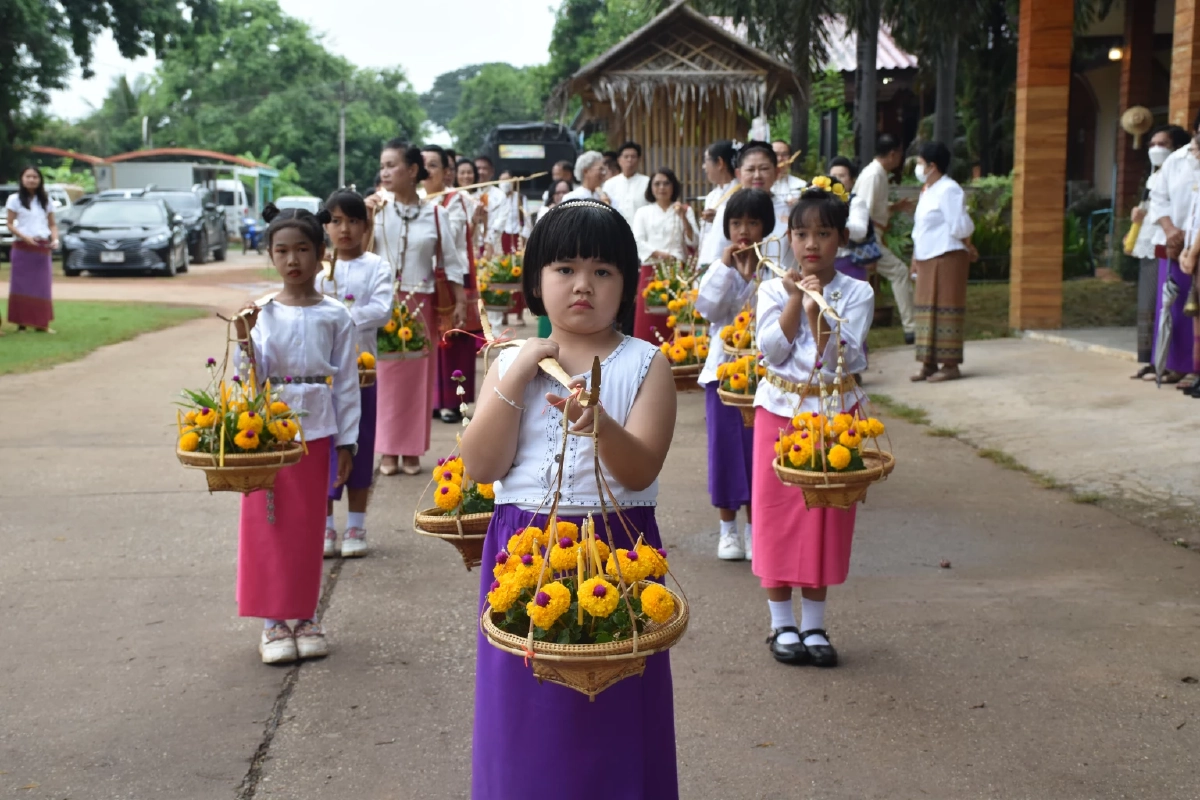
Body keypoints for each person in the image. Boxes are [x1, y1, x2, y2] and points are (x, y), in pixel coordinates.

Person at [462, 199, 678, 799]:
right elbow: (482, 467)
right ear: (536, 280)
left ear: (627, 284)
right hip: (524, 550)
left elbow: (639, 471)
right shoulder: (509, 361)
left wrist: (599, 424)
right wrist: (519, 368)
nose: (583, 284)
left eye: (603, 271)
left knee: (613, 708)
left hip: (618, 550)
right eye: (564, 268)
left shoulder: (645, 363)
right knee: (526, 713)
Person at [753, 179, 874, 668]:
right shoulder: (769, 287)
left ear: (839, 240)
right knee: (777, 514)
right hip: (778, 412)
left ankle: (815, 624)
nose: (810, 245)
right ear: (789, 237)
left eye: (822, 234)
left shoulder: (857, 292)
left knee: (825, 517)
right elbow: (772, 351)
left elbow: (841, 358)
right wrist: (792, 302)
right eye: (801, 234)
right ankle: (781, 622)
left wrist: (817, 310)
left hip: (833, 416)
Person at [235, 205, 362, 664]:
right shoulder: (262, 314)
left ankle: (306, 616)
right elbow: (248, 380)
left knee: (308, 526)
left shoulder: (336, 316)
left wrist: (348, 441)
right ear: (270, 255)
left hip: (319, 431)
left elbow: (347, 383)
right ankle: (272, 622)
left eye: (303, 249)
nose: (293, 260)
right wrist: (245, 341)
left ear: (321, 254)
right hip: (268, 436)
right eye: (282, 251)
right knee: (266, 522)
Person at [367, 139, 468, 475]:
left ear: (412, 170)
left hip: (420, 303)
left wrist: (460, 301)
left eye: (391, 165)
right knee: (384, 376)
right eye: (382, 166)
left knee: (417, 379)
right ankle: (386, 450)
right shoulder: (376, 210)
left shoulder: (436, 213)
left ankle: (410, 451)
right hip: (383, 303)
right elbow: (362, 254)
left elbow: (452, 262)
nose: (384, 172)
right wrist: (365, 218)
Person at [695, 188, 775, 562]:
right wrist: (728, 269)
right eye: (737, 223)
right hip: (724, 373)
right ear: (727, 228)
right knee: (725, 451)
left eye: (753, 223)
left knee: (759, 451)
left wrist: (754, 277)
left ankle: (755, 528)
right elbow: (709, 310)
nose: (744, 230)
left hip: (765, 375)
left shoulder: (773, 269)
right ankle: (727, 530)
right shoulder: (718, 266)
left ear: (766, 227)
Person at [318, 189, 393, 558]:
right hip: (323, 374)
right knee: (323, 446)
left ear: (365, 226)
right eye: (335, 221)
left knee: (359, 446)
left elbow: (381, 310)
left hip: (362, 371)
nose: (344, 228)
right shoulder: (320, 270)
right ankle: (326, 526)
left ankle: (357, 524)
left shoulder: (377, 266)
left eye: (352, 220)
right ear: (326, 227)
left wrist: (339, 317)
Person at [423, 145, 482, 424]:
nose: (426, 171)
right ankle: (431, 401)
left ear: (447, 173)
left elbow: (452, 237)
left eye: (433, 165)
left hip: (451, 278)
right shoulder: (415, 200)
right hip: (423, 279)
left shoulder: (455, 201)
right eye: (421, 165)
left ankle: (451, 402)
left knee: (453, 340)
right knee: (425, 339)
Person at [910, 141, 975, 383]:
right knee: (926, 309)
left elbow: (960, 224)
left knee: (946, 306)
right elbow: (920, 227)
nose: (917, 167)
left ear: (932, 165)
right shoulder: (927, 190)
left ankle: (950, 364)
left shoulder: (949, 190)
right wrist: (915, 256)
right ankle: (928, 362)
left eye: (919, 163)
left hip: (947, 255)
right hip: (927, 256)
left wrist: (968, 240)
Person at [1131, 125, 1190, 380]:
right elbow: (1154, 204)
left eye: (1163, 144)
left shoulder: (1183, 170)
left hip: (1176, 241)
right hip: (1153, 241)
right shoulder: (1154, 175)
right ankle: (1153, 359)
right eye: (1152, 144)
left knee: (1172, 306)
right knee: (1150, 305)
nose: (1156, 149)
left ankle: (1173, 362)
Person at [1149, 112, 1200, 387]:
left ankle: (1196, 368)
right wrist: (1170, 231)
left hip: (1197, 243)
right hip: (1175, 243)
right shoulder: (1176, 160)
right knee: (1175, 305)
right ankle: (1176, 364)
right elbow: (1158, 198)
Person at [855, 134, 916, 344]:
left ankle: (910, 327)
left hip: (871, 234)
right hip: (867, 237)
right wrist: (868, 247)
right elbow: (863, 212)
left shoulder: (877, 173)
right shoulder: (873, 175)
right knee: (899, 272)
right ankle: (911, 328)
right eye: (899, 154)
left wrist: (894, 207)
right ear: (893, 154)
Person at [700, 141, 796, 271]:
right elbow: (713, 257)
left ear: (777, 172)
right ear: (739, 174)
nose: (757, 176)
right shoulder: (727, 210)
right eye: (750, 170)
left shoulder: (790, 211)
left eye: (764, 169)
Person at [5, 166, 60, 334]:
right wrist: (24, 236)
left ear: (40, 180)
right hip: (22, 247)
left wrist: (55, 239)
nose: (31, 180)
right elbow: (9, 223)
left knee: (42, 286)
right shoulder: (14, 199)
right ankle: (21, 324)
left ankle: (41, 324)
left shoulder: (45, 200)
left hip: (41, 247)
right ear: (22, 179)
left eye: (35, 177)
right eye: (28, 176)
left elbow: (52, 223)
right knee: (21, 286)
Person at [632, 167, 697, 263]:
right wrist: (662, 255)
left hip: (677, 266)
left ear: (673, 186)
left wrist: (684, 218)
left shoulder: (686, 210)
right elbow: (637, 241)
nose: (662, 187)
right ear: (651, 187)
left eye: (666, 183)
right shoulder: (642, 212)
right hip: (651, 265)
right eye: (657, 184)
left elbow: (694, 241)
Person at [827, 156, 874, 282]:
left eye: (842, 176)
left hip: (849, 262)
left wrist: (833, 222)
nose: (837, 179)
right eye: (833, 175)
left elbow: (860, 232)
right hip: (824, 263)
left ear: (851, 180)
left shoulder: (856, 202)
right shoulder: (821, 202)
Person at [699, 139, 739, 248]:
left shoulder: (741, 192)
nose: (704, 167)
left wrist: (719, 217)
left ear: (720, 163)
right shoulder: (712, 196)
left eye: (706, 161)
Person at [602, 140, 651, 226]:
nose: (630, 160)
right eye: (626, 156)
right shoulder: (609, 184)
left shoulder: (647, 182)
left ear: (639, 160)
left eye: (633, 157)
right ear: (619, 160)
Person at [771, 140, 806, 206]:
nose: (780, 159)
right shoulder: (761, 184)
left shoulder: (801, 185)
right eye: (775, 154)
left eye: (784, 155)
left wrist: (800, 204)